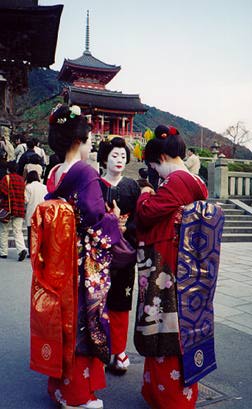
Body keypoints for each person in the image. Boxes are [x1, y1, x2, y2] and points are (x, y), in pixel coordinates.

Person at [30, 104, 121, 409]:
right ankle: (76, 395)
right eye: (90, 139)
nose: (92, 145)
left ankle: (58, 387)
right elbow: (95, 217)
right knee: (83, 322)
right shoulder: (85, 172)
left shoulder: (54, 173)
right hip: (81, 262)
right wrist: (113, 221)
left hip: (58, 262)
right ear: (78, 141)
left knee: (62, 321)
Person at [134, 133, 209, 409]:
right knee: (181, 326)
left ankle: (170, 397)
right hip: (189, 264)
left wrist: (144, 195)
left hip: (169, 263)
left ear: (162, 159)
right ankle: (162, 391)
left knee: (165, 326)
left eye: (155, 167)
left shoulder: (177, 180)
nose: (155, 173)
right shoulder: (196, 181)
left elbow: (149, 213)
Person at [98, 137, 140, 374]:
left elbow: (138, 220)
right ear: (104, 158)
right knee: (98, 300)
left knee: (121, 301)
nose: (119, 160)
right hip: (100, 252)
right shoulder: (95, 184)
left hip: (124, 252)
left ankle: (120, 349)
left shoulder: (132, 186)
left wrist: (125, 228)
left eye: (123, 156)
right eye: (115, 156)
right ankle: (100, 346)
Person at [0, 161, 27, 261]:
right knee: (18, 231)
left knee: (4, 231)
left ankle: (3, 252)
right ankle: (21, 249)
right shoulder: (21, 179)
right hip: (19, 208)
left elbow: (2, 191)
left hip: (7, 208)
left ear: (8, 169)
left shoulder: (6, 178)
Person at [24, 170, 47, 257]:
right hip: (42, 213)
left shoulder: (28, 187)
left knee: (31, 234)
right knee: (41, 233)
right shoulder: (44, 187)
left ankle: (32, 252)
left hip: (31, 213)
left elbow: (26, 200)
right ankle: (41, 252)